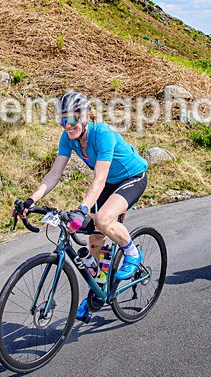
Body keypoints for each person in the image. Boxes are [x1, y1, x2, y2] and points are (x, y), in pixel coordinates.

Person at [20, 91, 149, 321]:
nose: (68, 126)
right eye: (62, 120)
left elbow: (99, 179)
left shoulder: (103, 134)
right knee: (95, 239)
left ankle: (132, 253)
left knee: (102, 220)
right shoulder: (68, 138)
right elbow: (54, 173)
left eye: (72, 119)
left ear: (86, 115)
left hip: (132, 177)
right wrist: (32, 200)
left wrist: (82, 209)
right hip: (109, 182)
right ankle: (97, 291)